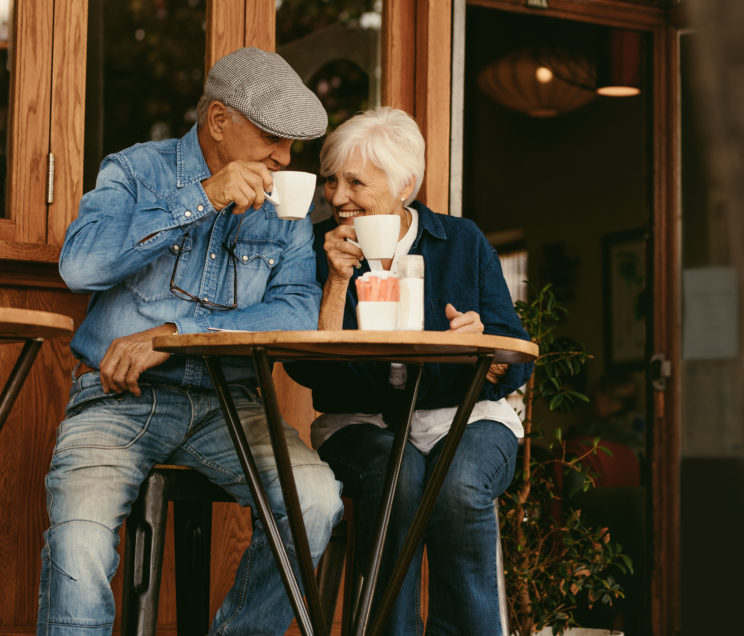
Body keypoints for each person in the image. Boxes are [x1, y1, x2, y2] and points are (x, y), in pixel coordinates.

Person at [37, 47, 342, 636]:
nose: (284, 157)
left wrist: (179, 336)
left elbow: (299, 307)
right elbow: (80, 267)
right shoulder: (135, 170)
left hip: (233, 406)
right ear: (219, 121)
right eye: (273, 137)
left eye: (292, 144)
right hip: (117, 401)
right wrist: (202, 195)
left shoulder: (287, 207)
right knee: (80, 543)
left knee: (316, 501)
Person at [285, 106, 533, 635]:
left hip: (465, 419)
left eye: (355, 181)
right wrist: (334, 283)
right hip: (363, 424)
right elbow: (309, 371)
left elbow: (515, 352)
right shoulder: (316, 248)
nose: (335, 196)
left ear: (404, 185)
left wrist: (481, 344)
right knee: (396, 479)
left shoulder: (461, 242)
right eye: (330, 180)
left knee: (460, 485)